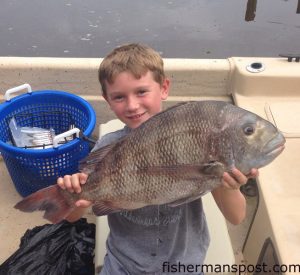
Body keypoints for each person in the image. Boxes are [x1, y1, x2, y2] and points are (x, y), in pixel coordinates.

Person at [57, 43, 258, 275]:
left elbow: (236, 216)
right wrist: (75, 197)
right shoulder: (108, 147)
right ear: (107, 99)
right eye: (119, 97)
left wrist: (229, 186)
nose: (132, 105)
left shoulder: (199, 141)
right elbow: (73, 216)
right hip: (124, 265)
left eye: (141, 91)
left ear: (164, 88)